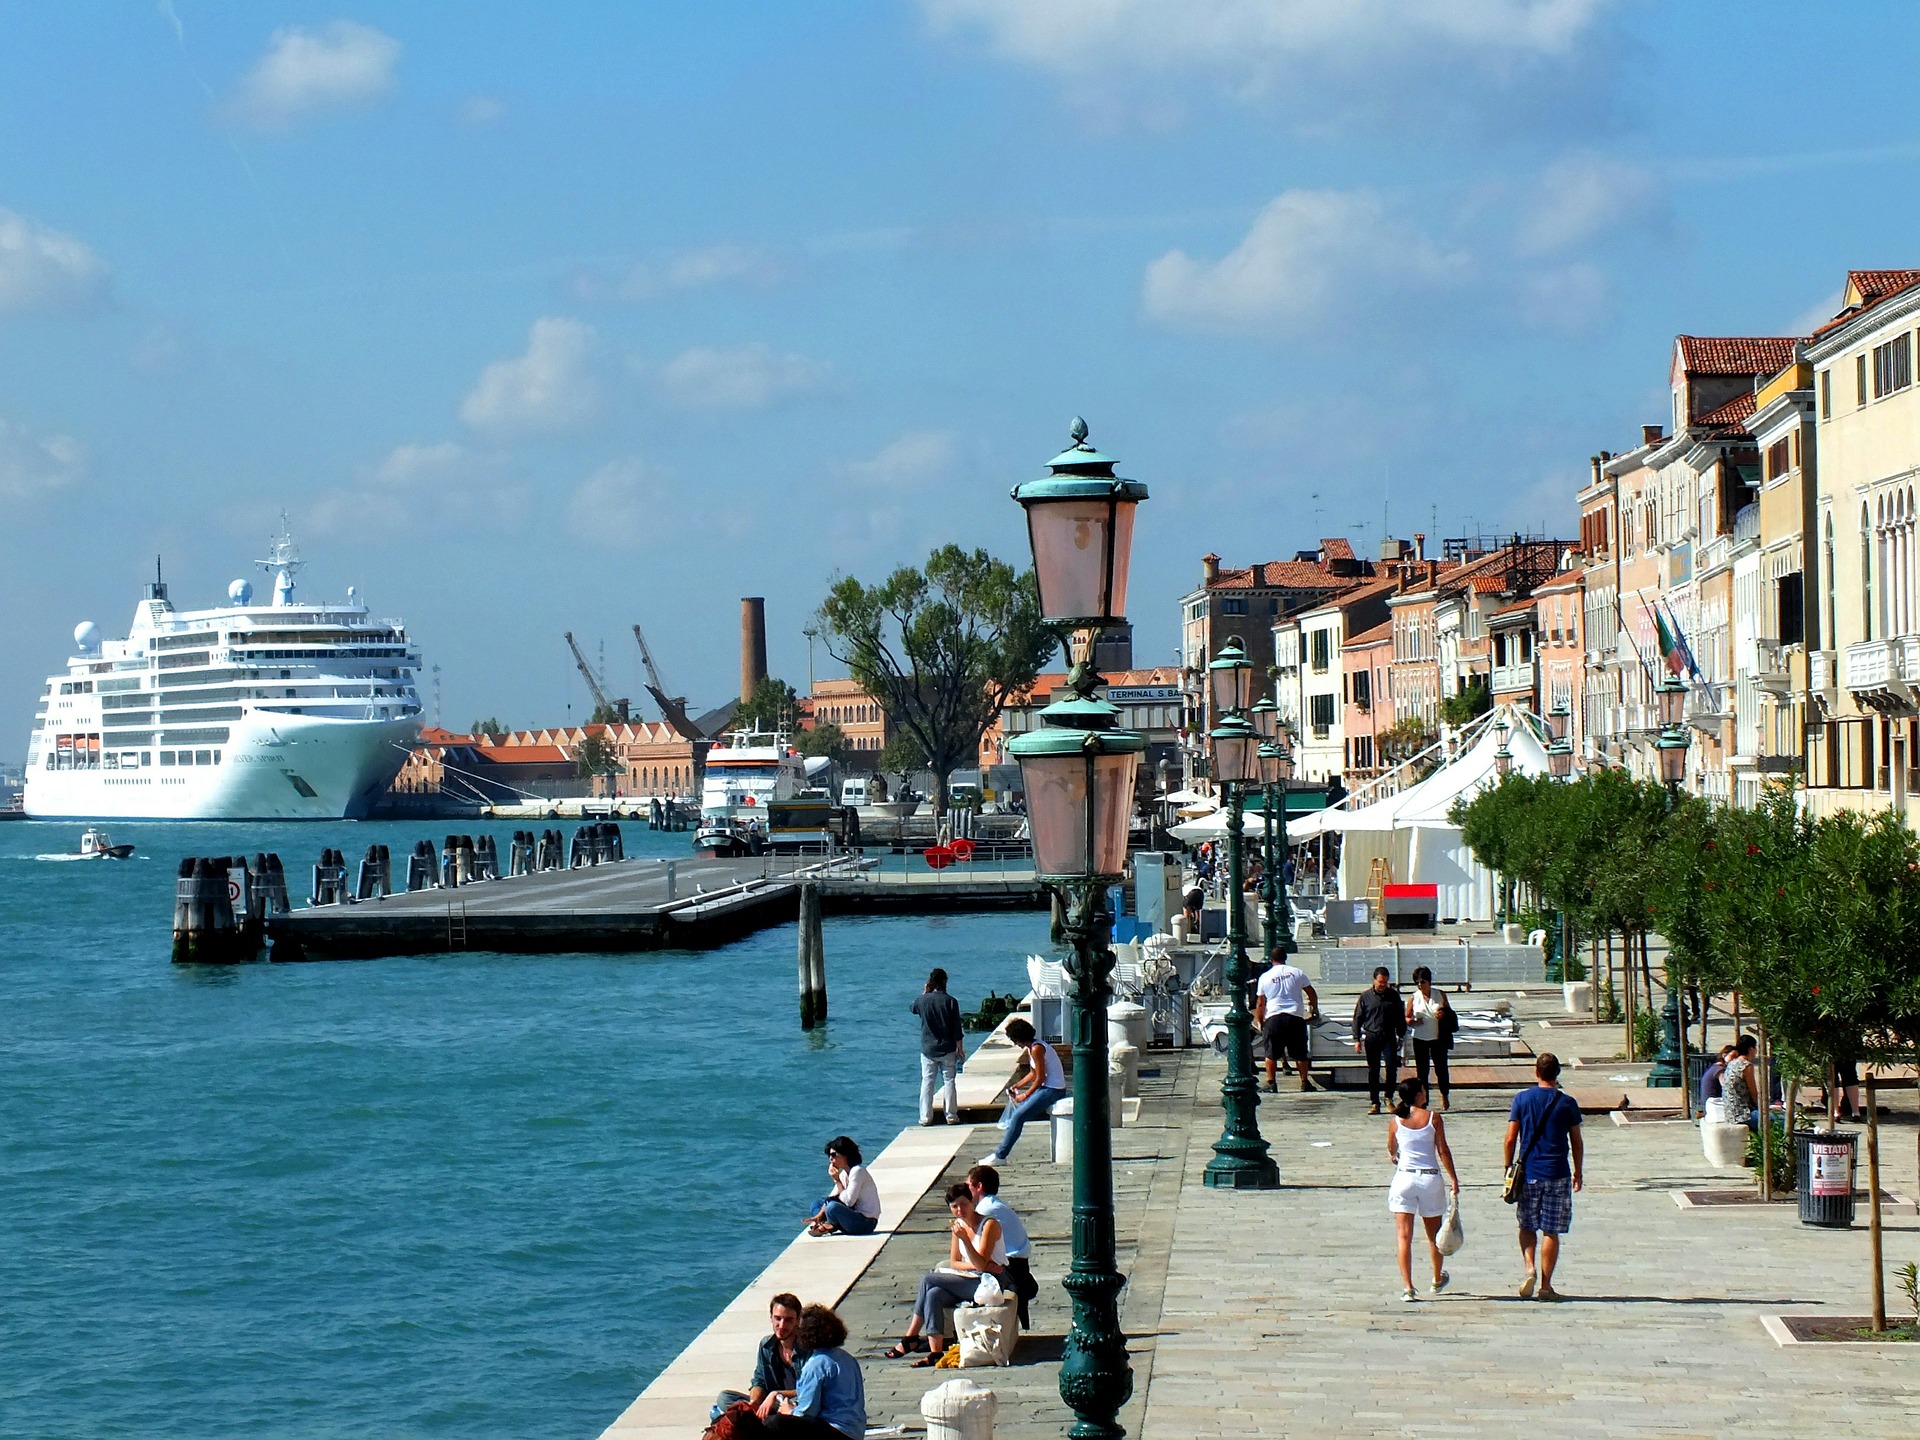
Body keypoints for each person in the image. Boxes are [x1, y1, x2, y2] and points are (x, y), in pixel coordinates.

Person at [883, 1182, 1006, 1365]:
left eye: (963, 1204)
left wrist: (968, 1243)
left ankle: (911, 1336)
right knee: (934, 1294)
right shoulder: (958, 1225)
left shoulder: (988, 1224)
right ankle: (936, 1352)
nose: (960, 1210)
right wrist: (974, 1266)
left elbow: (980, 1263)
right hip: (972, 1277)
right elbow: (955, 1262)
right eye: (954, 1207)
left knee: (927, 1279)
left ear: (972, 1202)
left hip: (990, 1282)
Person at [1504, 1052, 1583, 1302]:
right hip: (1557, 1172)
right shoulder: (1567, 1102)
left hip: (1528, 1174)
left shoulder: (1522, 1099)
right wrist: (1578, 1171)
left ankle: (1529, 1267)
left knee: (1526, 1224)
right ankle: (1546, 1286)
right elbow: (1576, 1141)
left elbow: (1510, 1138)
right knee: (1551, 1230)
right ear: (1557, 1074)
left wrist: (1508, 1167)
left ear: (1536, 1072)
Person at [1386, 1077, 1460, 1302]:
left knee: (1403, 1237)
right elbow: (1443, 1150)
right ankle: (1437, 1278)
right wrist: (1454, 1179)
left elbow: (1392, 1148)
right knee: (1434, 1235)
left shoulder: (1396, 1121)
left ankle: (1408, 1287)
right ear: (1419, 1095)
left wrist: (1395, 1156)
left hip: (1404, 1179)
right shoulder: (1433, 1118)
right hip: (1429, 1178)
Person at [767, 1303, 865, 1438]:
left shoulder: (815, 1365)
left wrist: (789, 1411)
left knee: (774, 1423)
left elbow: (807, 1412)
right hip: (855, 1431)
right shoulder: (847, 1358)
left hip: (835, 1429)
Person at [980, 1019, 1066, 1166]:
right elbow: (1033, 1073)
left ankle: (1000, 1156)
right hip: (1047, 1087)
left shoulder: (1037, 1049)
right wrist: (1017, 1085)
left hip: (1054, 1090)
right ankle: (1000, 1154)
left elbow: (1040, 1078)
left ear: (1020, 1037)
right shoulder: (1031, 1047)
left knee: (1018, 1117)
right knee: (1017, 1116)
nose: (1015, 1043)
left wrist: (1025, 1095)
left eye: (1014, 1040)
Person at [710, 1291, 802, 1423]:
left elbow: (808, 1390)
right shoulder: (766, 1346)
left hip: (794, 1403)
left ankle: (754, 1422)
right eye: (778, 1318)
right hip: (770, 1405)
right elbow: (760, 1380)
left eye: (788, 1320)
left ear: (798, 1321)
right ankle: (756, 1420)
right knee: (724, 1398)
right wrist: (754, 1402)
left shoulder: (806, 1349)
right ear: (771, 1317)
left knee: (796, 1408)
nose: (781, 1325)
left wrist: (776, 1394)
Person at [967, 1163, 1036, 1326]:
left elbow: (978, 1250)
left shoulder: (985, 1210)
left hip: (1009, 1268)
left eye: (968, 1185)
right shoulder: (997, 1204)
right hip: (1019, 1265)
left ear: (978, 1186)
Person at [1254, 946, 1320, 1093]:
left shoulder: (1265, 977)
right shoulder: (1297, 972)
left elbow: (1260, 1003)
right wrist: (1313, 1009)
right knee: (1300, 1053)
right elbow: (1311, 993)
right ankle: (1304, 1082)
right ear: (1285, 958)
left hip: (1274, 1017)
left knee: (1270, 1053)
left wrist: (1260, 1020)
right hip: (1295, 1017)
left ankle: (1271, 1082)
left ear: (1271, 960)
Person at [912, 968, 966, 1126]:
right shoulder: (951, 1001)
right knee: (949, 1081)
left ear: (930, 983)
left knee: (927, 1081)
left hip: (928, 1049)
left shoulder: (923, 1001)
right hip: (947, 1048)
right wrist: (960, 1049)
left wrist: (924, 992)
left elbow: (913, 1008)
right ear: (945, 982)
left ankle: (925, 1117)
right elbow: (957, 1029)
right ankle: (951, 1115)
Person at [1352, 967, 1407, 1115]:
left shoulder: (1393, 996)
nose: (1383, 985)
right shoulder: (1365, 997)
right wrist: (1357, 1039)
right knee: (1373, 1070)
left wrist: (1401, 1036)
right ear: (1374, 980)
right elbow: (1357, 1018)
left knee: (1391, 1067)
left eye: (1385, 982)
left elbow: (1400, 1018)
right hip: (1372, 1036)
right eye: (1380, 982)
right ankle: (1374, 1102)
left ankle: (1388, 1097)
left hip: (1389, 1036)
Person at [806, 1136, 880, 1236]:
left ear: (845, 1155)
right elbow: (830, 1199)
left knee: (832, 1207)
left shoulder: (857, 1171)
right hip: (851, 1218)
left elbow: (848, 1202)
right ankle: (823, 1224)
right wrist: (819, 1215)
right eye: (829, 1156)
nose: (830, 1159)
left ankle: (829, 1225)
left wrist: (837, 1181)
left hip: (865, 1222)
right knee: (816, 1204)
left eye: (834, 1155)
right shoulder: (844, 1174)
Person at [1404, 966, 1454, 1111]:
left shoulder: (1440, 995)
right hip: (1420, 1038)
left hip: (1438, 1037)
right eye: (1417, 982)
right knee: (1422, 1071)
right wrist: (1412, 1021)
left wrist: (1443, 1014)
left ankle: (1444, 1094)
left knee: (1441, 1069)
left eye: (1423, 981)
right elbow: (1407, 1017)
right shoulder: (1414, 998)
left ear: (1429, 981)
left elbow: (1450, 1013)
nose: (1420, 985)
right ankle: (1423, 1100)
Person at [1720, 1034, 1760, 1130]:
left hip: (1730, 1113)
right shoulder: (1746, 1066)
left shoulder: (1732, 1063)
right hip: (1743, 1114)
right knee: (1781, 1119)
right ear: (1751, 1049)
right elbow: (1753, 1093)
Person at [1699, 1044, 1734, 1113]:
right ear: (1724, 1055)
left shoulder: (1713, 1067)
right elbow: (1726, 1086)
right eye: (1733, 1057)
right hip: (1714, 1105)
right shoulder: (1720, 1070)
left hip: (1707, 1104)